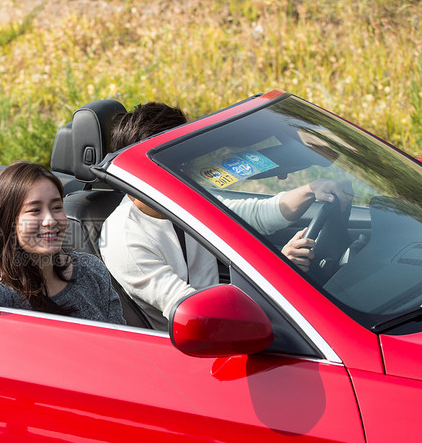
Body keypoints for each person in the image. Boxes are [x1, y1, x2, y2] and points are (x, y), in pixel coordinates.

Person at [100, 102, 351, 330]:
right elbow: (196, 312)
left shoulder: (179, 199)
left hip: (237, 316)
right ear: (148, 168)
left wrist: (311, 190)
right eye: (178, 160)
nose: (188, 167)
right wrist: (279, 271)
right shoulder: (126, 240)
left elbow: (255, 214)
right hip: (204, 341)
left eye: (187, 157)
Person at [0, 140, 126, 325]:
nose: (50, 220)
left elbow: (123, 341)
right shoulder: (8, 297)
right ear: (11, 222)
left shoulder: (91, 269)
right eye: (34, 210)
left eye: (57, 207)